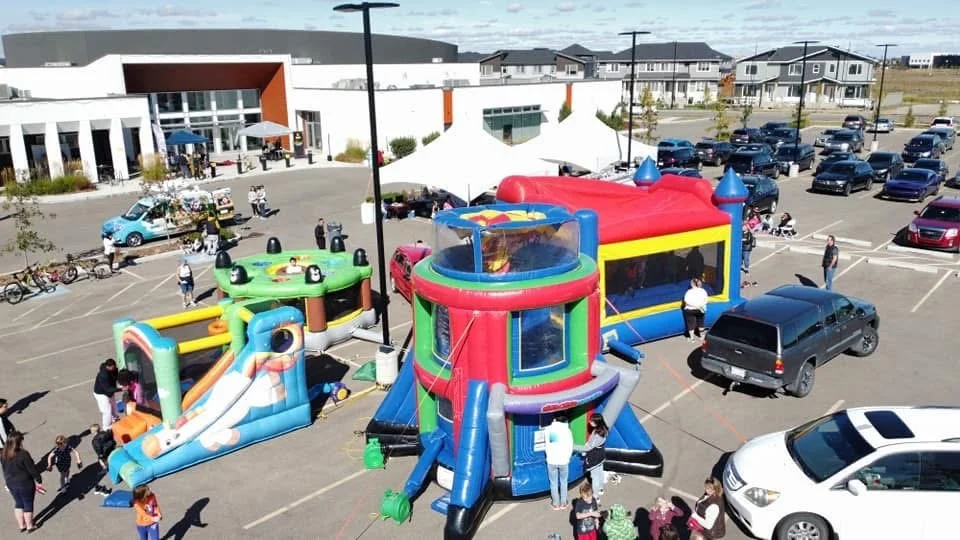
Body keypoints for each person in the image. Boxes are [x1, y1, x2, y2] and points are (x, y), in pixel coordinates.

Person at [2, 432, 43, 533]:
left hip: (11, 483)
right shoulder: (23, 454)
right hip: (25, 483)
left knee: (18, 503)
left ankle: (22, 526)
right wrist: (38, 479)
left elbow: (4, 469)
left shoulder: (3, 453)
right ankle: (30, 526)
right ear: (18, 442)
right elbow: (31, 469)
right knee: (28, 503)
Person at [543, 415, 573, 510]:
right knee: (564, 482)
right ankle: (563, 503)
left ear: (555, 419)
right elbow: (570, 446)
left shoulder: (549, 430)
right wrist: (568, 457)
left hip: (552, 460)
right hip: (563, 460)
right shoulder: (567, 431)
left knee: (553, 482)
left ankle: (555, 503)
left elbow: (548, 445)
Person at [576, 414, 608, 497]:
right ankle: (601, 488)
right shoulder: (603, 430)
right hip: (601, 454)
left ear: (597, 422)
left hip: (595, 457)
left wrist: (574, 446)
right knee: (600, 472)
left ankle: (595, 496)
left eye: (591, 421)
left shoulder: (597, 435)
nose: (589, 422)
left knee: (594, 477)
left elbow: (588, 447)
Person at [89, 424, 115, 496]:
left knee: (105, 470)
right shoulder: (105, 433)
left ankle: (102, 489)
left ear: (93, 431)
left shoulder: (95, 441)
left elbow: (99, 452)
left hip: (104, 457)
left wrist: (100, 459)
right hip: (112, 452)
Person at [93, 358, 119, 429]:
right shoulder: (103, 375)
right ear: (109, 366)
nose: (115, 368)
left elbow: (116, 376)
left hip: (109, 392)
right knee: (107, 411)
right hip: (101, 394)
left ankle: (115, 418)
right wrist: (120, 389)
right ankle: (106, 427)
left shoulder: (113, 369)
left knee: (114, 406)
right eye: (113, 367)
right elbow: (108, 389)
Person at [682, 278, 708, 342]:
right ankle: (702, 337)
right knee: (701, 323)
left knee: (691, 324)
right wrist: (700, 305)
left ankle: (692, 339)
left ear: (692, 285)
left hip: (690, 310)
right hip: (701, 309)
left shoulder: (689, 292)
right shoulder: (703, 291)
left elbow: (686, 301)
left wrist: (694, 305)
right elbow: (706, 300)